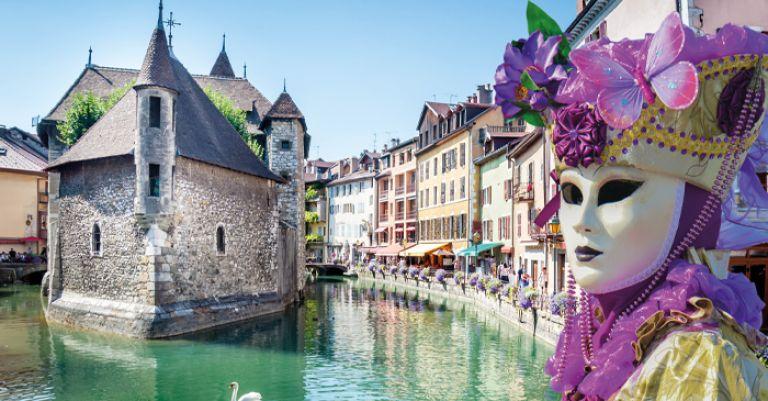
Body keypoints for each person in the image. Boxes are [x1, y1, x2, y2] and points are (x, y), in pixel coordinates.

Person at [494, 10, 768, 400]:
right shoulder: (609, 332)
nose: (581, 223)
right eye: (571, 194)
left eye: (615, 192)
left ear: (692, 213)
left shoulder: (695, 359)